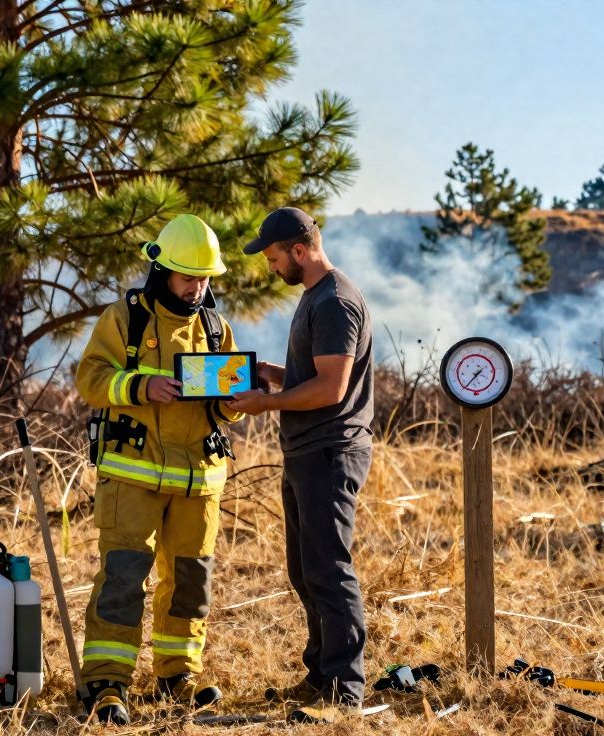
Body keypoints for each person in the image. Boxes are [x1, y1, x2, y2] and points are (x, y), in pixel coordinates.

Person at [74, 214, 245, 725]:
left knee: (192, 582)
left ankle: (178, 676)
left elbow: (227, 403)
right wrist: (140, 386)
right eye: (189, 277)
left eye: (205, 278)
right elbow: (90, 378)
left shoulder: (215, 327)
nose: (198, 288)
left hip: (200, 482)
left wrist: (235, 399)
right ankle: (108, 682)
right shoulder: (125, 318)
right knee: (124, 579)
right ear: (162, 271)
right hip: (133, 478)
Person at [229, 207, 374, 724]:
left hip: (330, 451)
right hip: (306, 451)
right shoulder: (315, 298)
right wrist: (267, 372)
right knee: (304, 569)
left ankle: (345, 688)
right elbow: (310, 373)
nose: (271, 268)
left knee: (329, 569)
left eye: (273, 258)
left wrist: (265, 403)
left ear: (299, 249)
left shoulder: (335, 302)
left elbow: (331, 388)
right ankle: (321, 673)